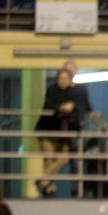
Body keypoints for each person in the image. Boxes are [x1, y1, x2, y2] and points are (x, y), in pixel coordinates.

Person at [35, 68, 81, 198]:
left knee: (63, 158)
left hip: (63, 134)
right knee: (49, 159)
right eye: (60, 78)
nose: (62, 81)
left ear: (70, 79)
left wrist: (72, 108)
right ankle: (49, 189)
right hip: (46, 131)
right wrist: (62, 108)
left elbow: (79, 108)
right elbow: (49, 105)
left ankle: (43, 182)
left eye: (65, 78)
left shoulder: (73, 93)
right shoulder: (52, 90)